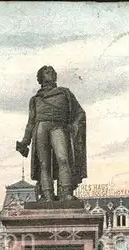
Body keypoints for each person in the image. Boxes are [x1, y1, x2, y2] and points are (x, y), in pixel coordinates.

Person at [16, 66, 87, 201]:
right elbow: (31, 122)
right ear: (41, 77)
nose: (52, 74)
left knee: (63, 159)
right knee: (44, 164)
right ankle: (47, 195)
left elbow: (80, 113)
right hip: (41, 127)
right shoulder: (35, 99)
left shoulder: (65, 94)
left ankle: (66, 193)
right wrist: (25, 141)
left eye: (52, 72)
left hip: (58, 127)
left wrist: (74, 125)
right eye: (47, 72)